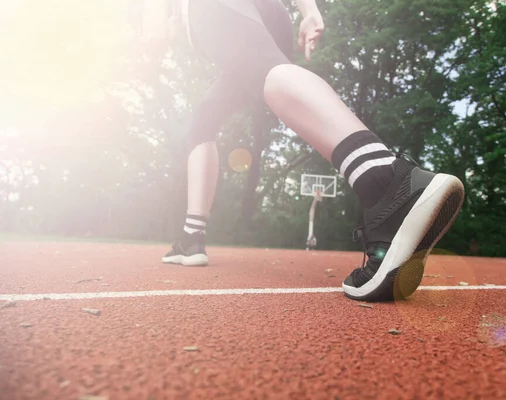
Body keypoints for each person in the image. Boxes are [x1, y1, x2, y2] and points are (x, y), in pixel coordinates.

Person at [147, 0, 465, 301]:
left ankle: (384, 181)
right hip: (273, 18)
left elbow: (156, 31)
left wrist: (161, 30)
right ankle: (191, 238)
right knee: (204, 120)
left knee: (263, 71)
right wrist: (308, 9)